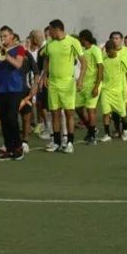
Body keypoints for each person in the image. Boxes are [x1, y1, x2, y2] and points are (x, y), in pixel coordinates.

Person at [43, 19, 86, 153]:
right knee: (55, 113)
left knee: (69, 113)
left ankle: (69, 142)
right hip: (53, 83)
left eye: (50, 30)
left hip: (67, 83)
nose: (48, 33)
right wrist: (45, 76)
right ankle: (56, 142)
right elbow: (46, 59)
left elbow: (84, 63)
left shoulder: (73, 42)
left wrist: (80, 80)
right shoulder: (50, 44)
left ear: (56, 29)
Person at [0, 26, 27, 161]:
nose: (3, 38)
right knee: (4, 120)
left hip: (14, 89)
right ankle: (8, 148)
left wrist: (4, 55)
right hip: (1, 89)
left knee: (12, 118)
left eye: (5, 36)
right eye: (1, 36)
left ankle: (18, 146)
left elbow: (18, 64)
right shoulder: (0, 50)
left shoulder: (19, 48)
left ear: (11, 36)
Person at [100, 40, 127, 142]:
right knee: (105, 113)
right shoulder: (104, 60)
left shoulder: (121, 59)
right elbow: (101, 74)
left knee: (122, 113)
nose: (108, 53)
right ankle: (107, 134)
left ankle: (126, 130)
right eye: (107, 51)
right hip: (106, 91)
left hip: (118, 91)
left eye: (110, 51)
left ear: (114, 49)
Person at [76, 29, 103, 145]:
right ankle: (92, 129)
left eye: (80, 39)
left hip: (93, 84)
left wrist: (96, 86)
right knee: (78, 108)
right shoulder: (82, 50)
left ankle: (92, 137)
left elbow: (100, 67)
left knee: (90, 110)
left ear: (84, 39)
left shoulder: (95, 49)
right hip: (83, 84)